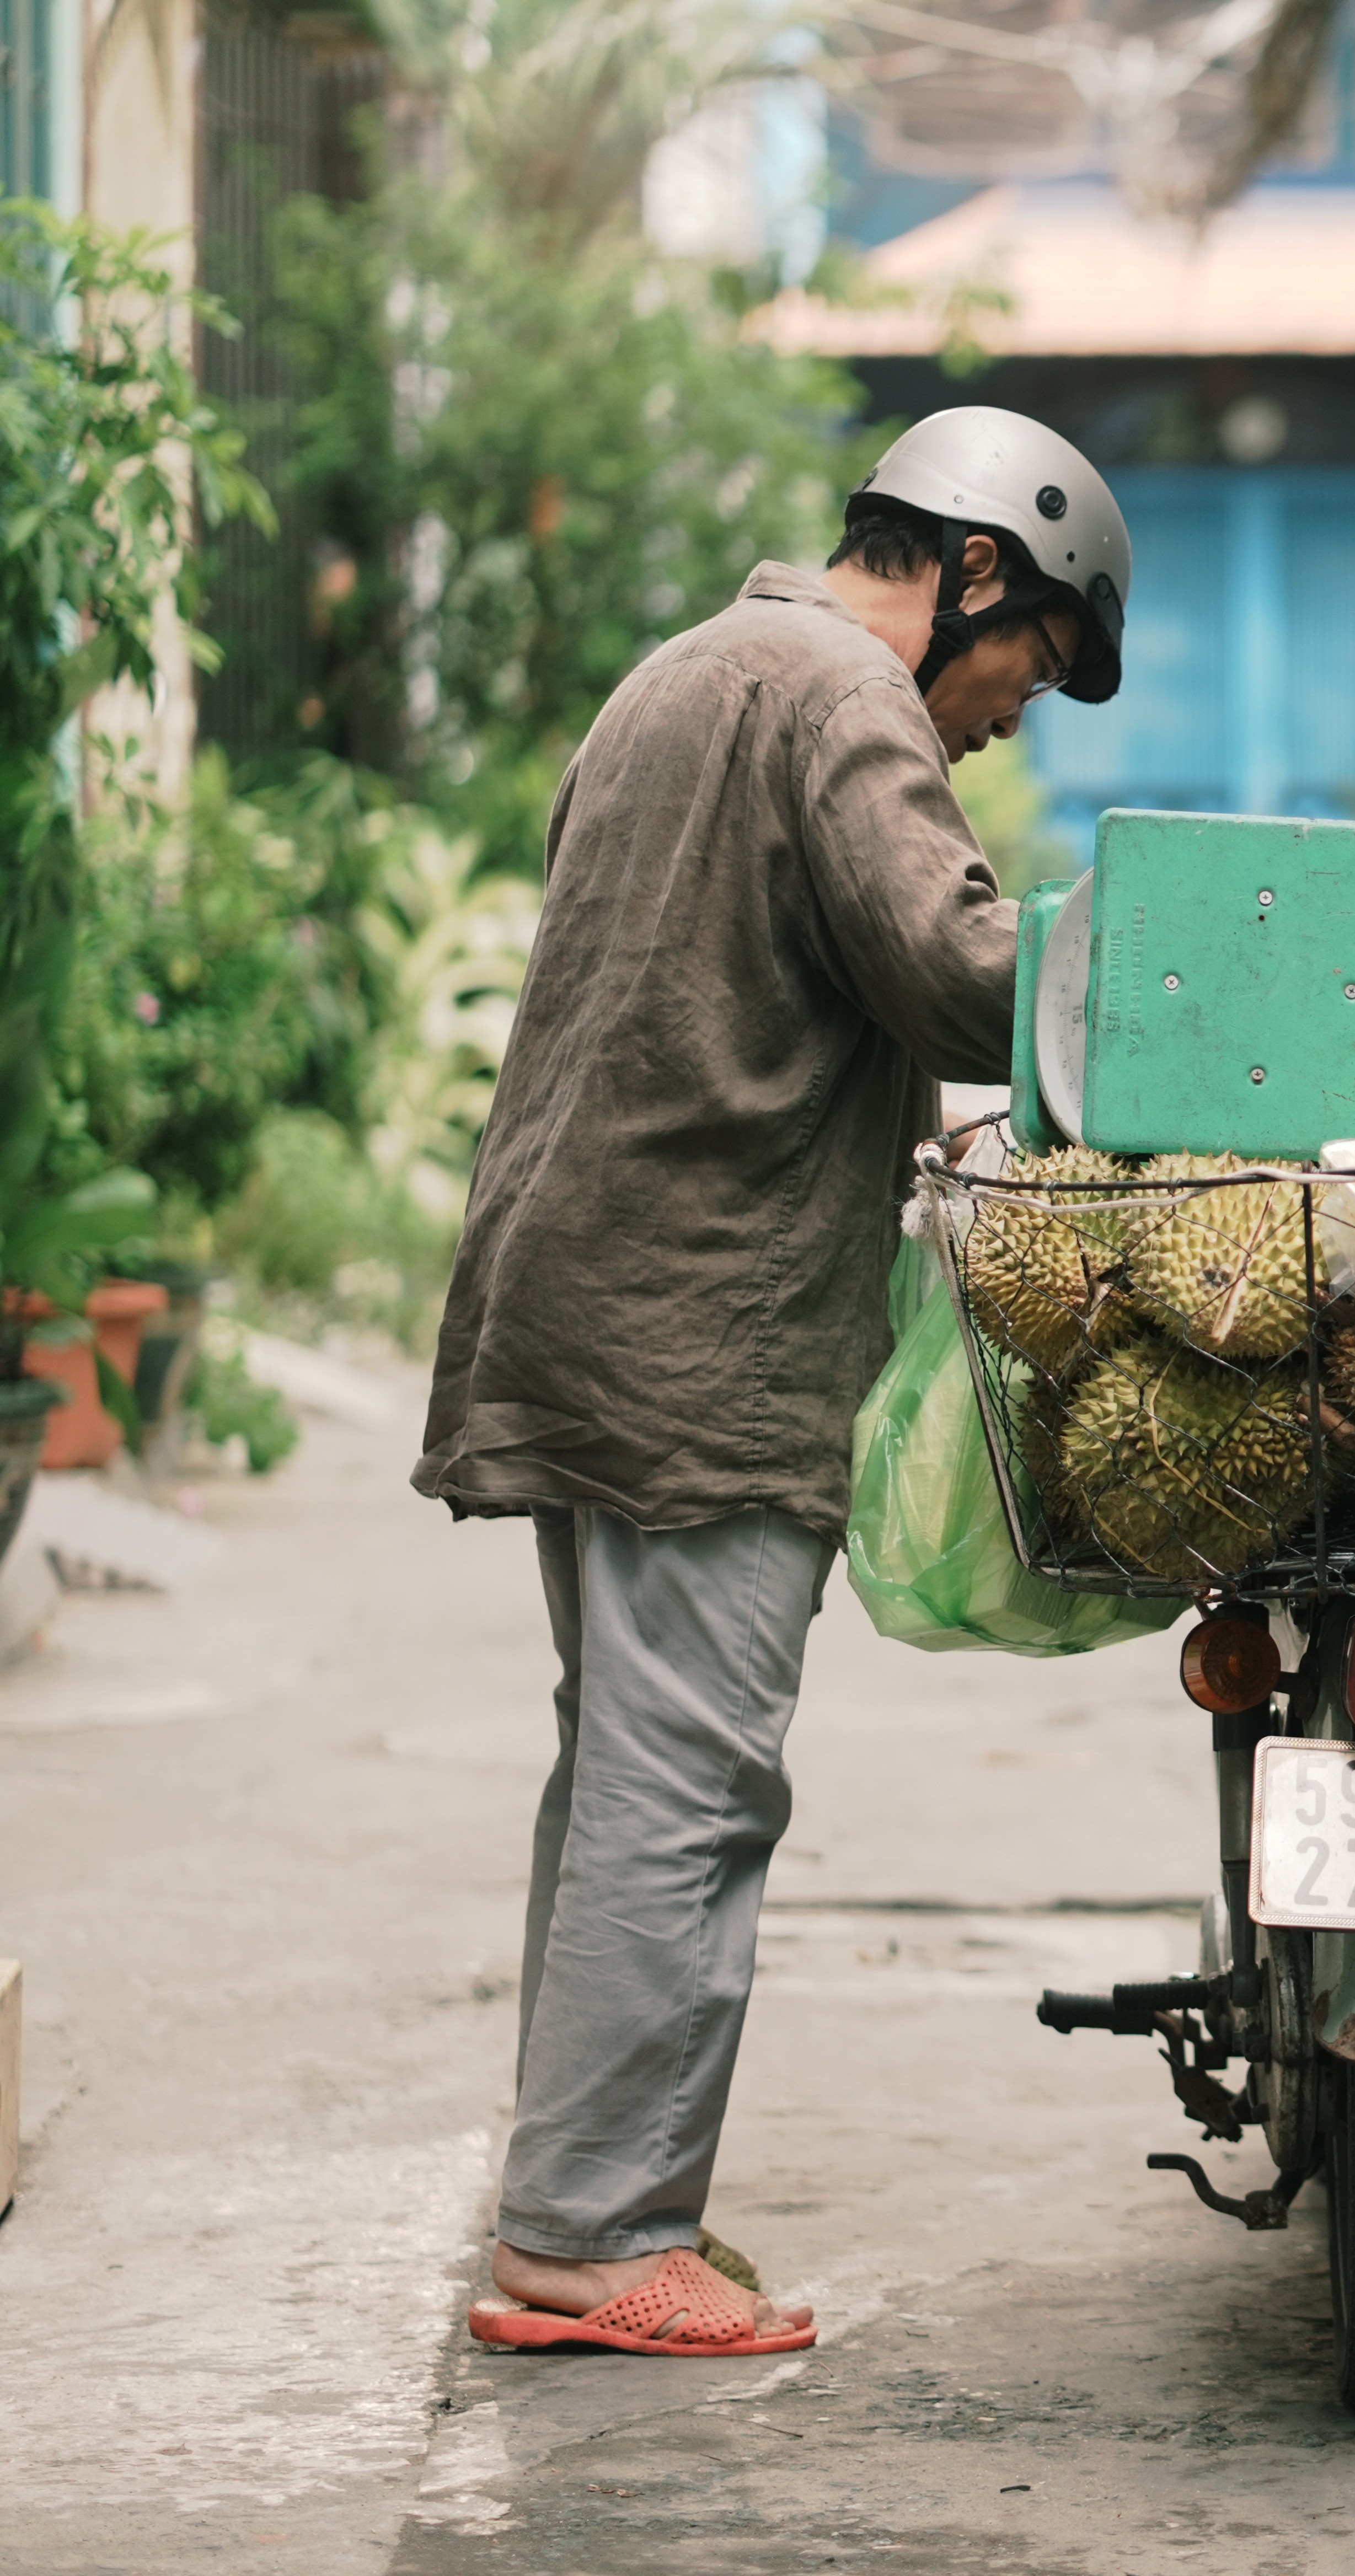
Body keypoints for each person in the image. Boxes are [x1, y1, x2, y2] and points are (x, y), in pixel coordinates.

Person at [416, 408, 1132, 2356]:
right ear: (972, 570)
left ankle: (584, 2193)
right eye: (1034, 658)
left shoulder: (682, 674)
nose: (1012, 716)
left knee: (623, 1762)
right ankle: (593, 2233)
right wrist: (1188, 956)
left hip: (578, 1292)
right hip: (701, 1326)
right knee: (690, 1776)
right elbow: (962, 973)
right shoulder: (844, 696)